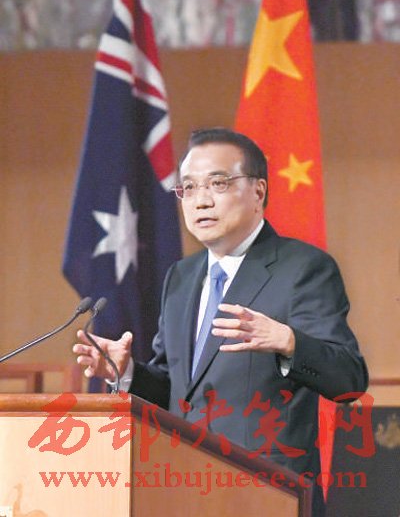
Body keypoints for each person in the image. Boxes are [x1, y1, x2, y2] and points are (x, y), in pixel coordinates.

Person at [73, 128, 368, 515]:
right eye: (189, 188)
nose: (201, 200)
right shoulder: (181, 277)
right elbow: (177, 392)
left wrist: (289, 342)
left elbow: (349, 381)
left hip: (267, 495)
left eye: (218, 183)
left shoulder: (303, 269)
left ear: (258, 191)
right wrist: (126, 372)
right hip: (183, 490)